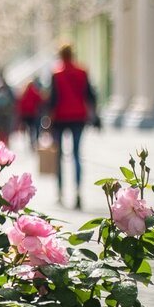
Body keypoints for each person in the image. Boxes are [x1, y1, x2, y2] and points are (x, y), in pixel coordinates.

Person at [47, 44, 97, 210]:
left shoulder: (56, 73)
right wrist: (93, 113)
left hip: (61, 117)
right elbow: (90, 95)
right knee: (76, 154)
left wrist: (48, 117)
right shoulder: (82, 71)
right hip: (78, 116)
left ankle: (60, 193)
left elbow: (53, 99)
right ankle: (77, 193)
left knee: (60, 155)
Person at [18, 79, 44, 147]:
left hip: (26, 114)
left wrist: (21, 114)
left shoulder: (24, 93)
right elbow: (40, 99)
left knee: (29, 128)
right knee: (34, 127)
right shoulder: (34, 91)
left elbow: (21, 104)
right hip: (33, 113)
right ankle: (35, 139)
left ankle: (31, 139)